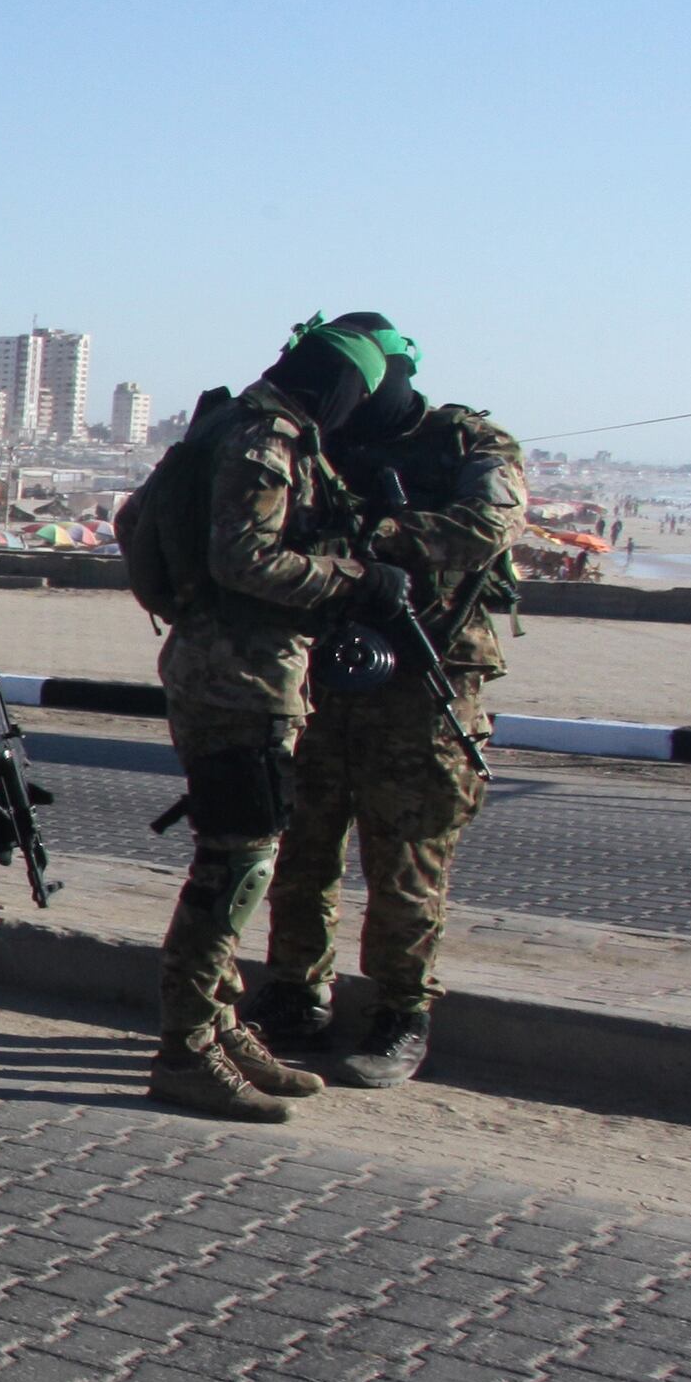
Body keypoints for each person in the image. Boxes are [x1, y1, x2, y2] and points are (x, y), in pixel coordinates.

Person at [254, 322, 523, 1090]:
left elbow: (487, 526)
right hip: (328, 668)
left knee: (406, 857)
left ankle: (401, 1011)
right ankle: (295, 995)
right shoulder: (316, 440)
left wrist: (380, 535)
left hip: (422, 672)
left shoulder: (468, 443)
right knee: (302, 845)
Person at [144, 316, 389, 1121]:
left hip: (248, 673)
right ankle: (186, 1049)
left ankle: (216, 1022)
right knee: (235, 866)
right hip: (235, 677)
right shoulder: (264, 438)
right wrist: (347, 582)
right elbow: (241, 557)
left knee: (244, 856)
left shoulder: (266, 427)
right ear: (336, 384)